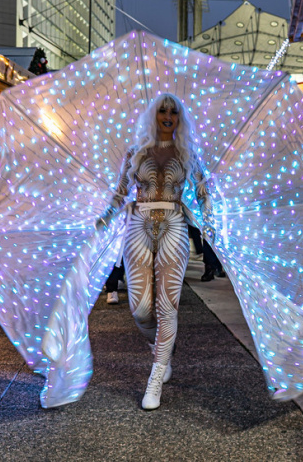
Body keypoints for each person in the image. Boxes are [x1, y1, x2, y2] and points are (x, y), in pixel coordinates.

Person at [96, 93, 214, 410]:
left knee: (167, 305)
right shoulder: (136, 153)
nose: (167, 115)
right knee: (140, 309)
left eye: (173, 111)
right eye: (162, 110)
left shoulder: (189, 153)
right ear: (154, 115)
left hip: (174, 224)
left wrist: (210, 219)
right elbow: (120, 191)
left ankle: (156, 375)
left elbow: (204, 192)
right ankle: (159, 346)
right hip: (139, 224)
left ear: (179, 118)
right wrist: (105, 217)